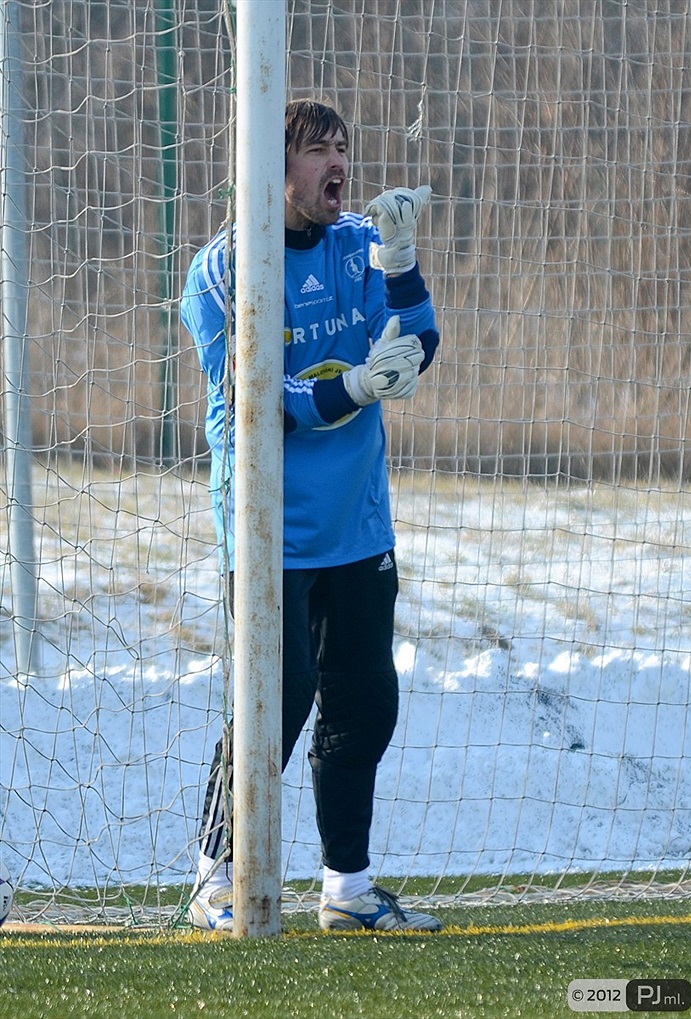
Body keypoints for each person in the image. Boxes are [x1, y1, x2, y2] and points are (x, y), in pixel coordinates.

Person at [180, 98, 441, 932]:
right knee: (276, 697)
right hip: (268, 529)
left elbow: (418, 339)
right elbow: (259, 400)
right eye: (317, 148)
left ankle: (348, 889)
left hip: (357, 522)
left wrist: (401, 263)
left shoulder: (365, 241)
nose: (338, 161)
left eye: (343, 146)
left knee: (365, 699)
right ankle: (214, 874)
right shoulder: (221, 272)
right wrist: (357, 385)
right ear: (272, 168)